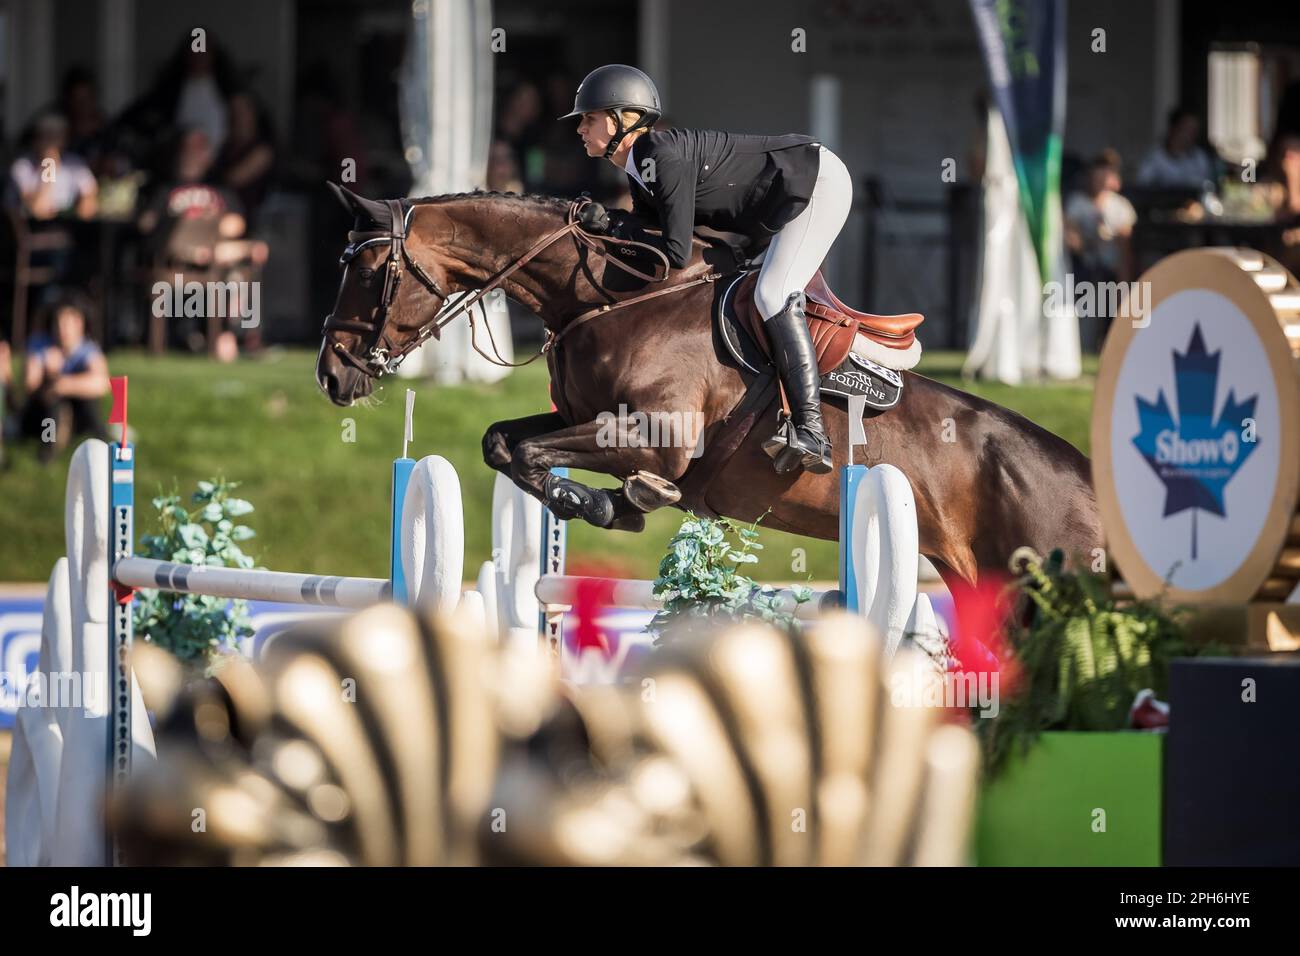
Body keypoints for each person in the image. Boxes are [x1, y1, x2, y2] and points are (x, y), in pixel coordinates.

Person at [558, 64, 846, 474]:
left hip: (814, 184)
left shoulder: (662, 156)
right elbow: (648, 239)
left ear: (627, 119)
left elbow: (674, 253)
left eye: (589, 118)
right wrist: (609, 228)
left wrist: (609, 223)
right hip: (773, 209)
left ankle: (812, 431)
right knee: (749, 290)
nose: (580, 128)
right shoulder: (641, 170)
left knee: (772, 293)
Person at [6, 292, 110, 462]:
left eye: (71, 322)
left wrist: (63, 384)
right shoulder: (40, 345)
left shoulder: (87, 349)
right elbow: (29, 385)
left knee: (90, 401)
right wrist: (43, 367)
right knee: (53, 402)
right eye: (60, 322)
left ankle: (103, 442)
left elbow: (102, 383)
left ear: (81, 324)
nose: (64, 328)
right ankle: (48, 449)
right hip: (40, 414)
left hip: (76, 413)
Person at [4, 112, 98, 220]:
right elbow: (38, 209)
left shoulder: (74, 163)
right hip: (35, 225)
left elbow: (89, 201)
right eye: (46, 136)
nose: (51, 142)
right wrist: (50, 165)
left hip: (68, 224)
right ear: (36, 139)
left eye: (56, 137)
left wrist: (84, 204)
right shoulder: (22, 166)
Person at [1065, 150, 1137, 283]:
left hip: (1112, 274)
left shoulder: (1122, 206)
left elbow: (1125, 251)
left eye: (1108, 173)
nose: (1102, 178)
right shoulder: (1075, 203)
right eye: (1099, 172)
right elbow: (1072, 238)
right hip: (1082, 271)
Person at [1136, 107, 1215, 189]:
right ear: (1173, 128)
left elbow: (1208, 189)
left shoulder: (1201, 158)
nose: (1190, 134)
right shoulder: (1153, 158)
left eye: (1194, 130)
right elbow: (1143, 188)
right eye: (1186, 129)